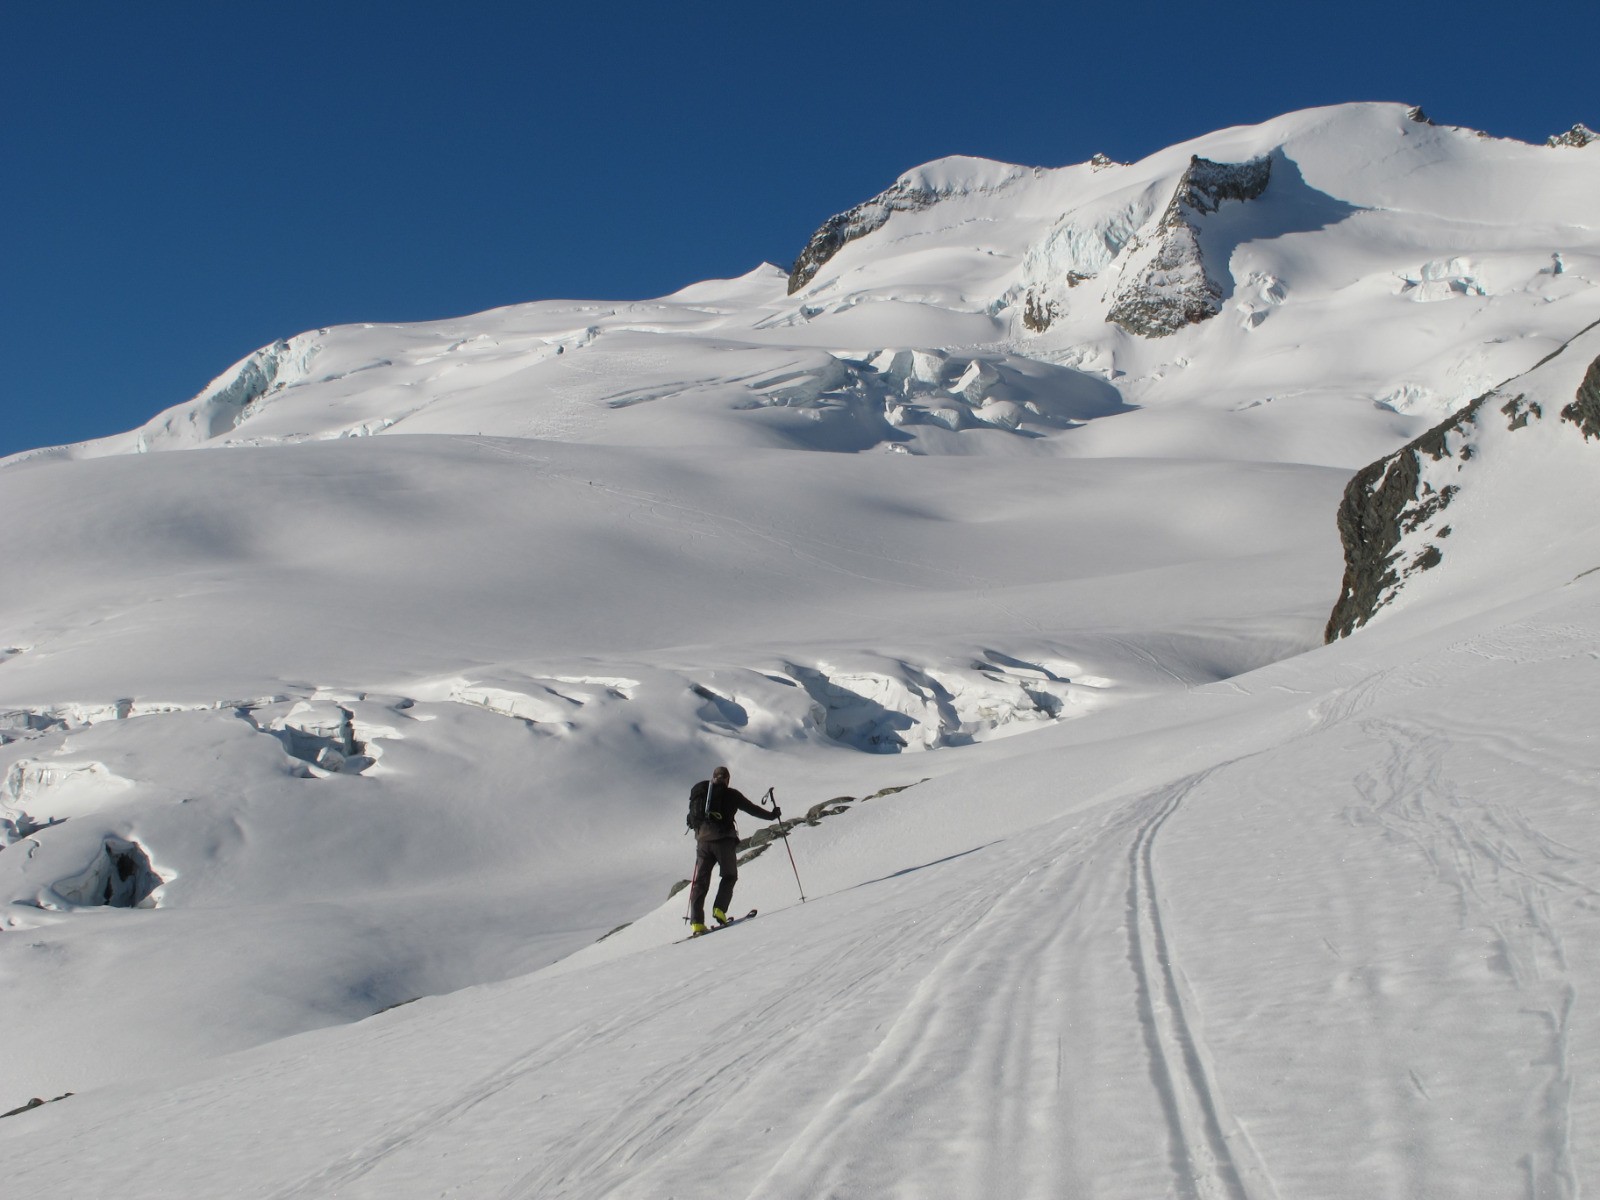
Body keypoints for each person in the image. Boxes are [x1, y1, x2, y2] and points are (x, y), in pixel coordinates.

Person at [687, 765, 781, 933]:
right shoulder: (732, 795)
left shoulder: (701, 794)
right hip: (723, 841)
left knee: (700, 882)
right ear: (727, 780)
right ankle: (719, 909)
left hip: (702, 842)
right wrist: (772, 815)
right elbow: (753, 809)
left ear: (713, 777)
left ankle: (697, 923)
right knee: (729, 876)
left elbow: (691, 819)